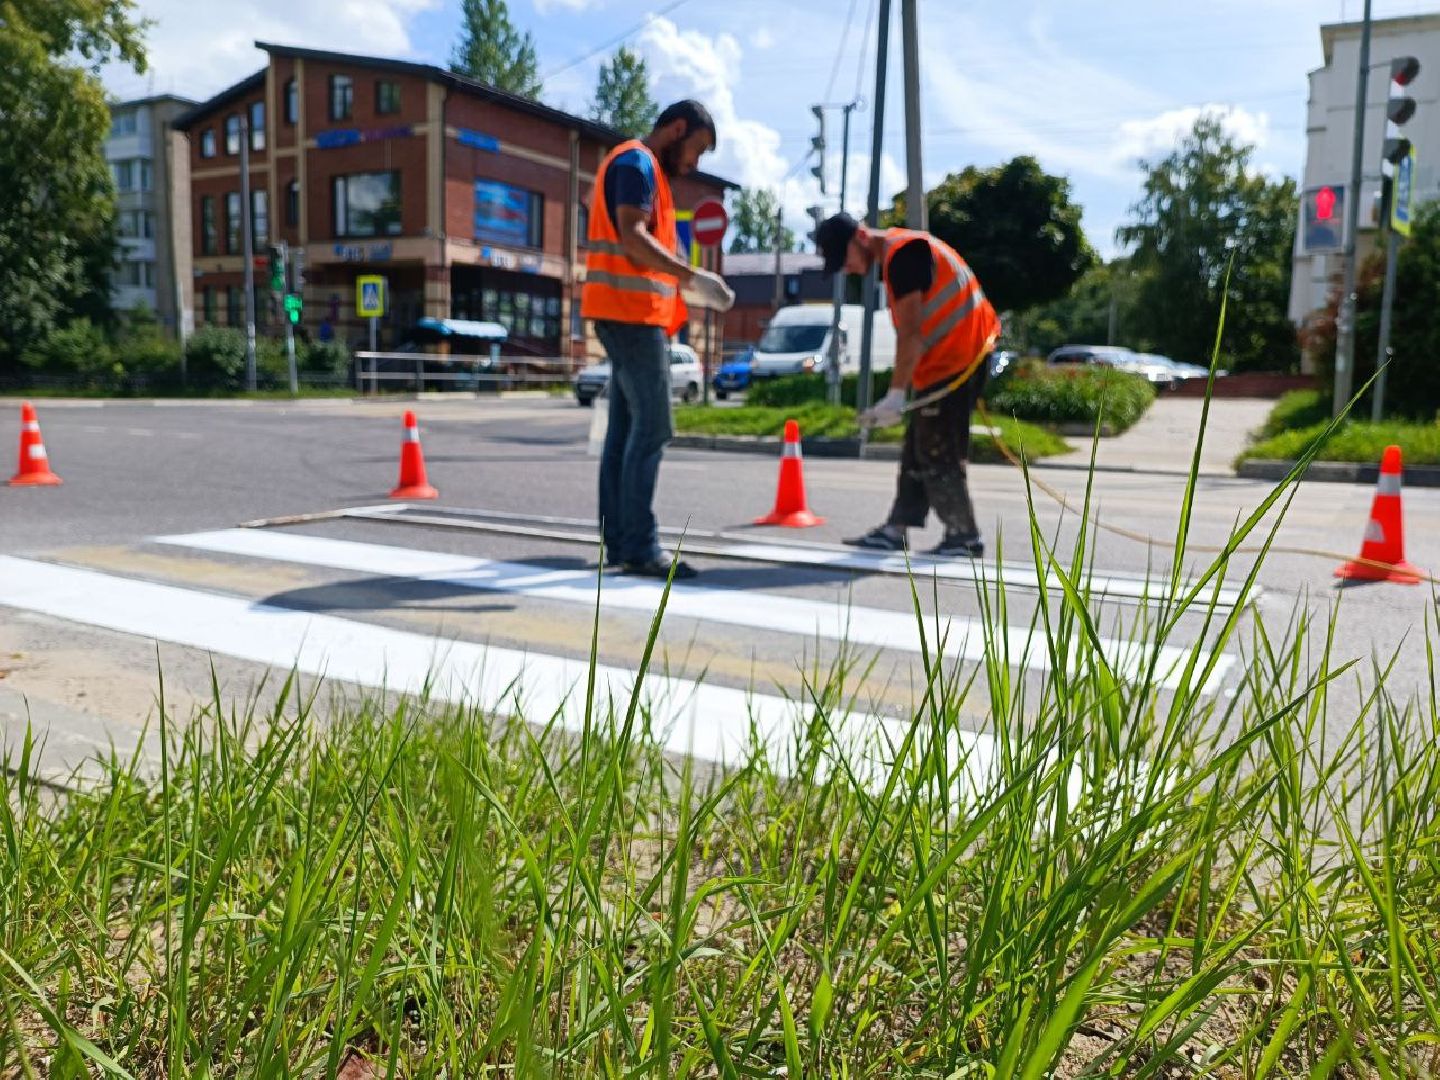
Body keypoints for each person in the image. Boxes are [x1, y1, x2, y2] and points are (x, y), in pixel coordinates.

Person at [581, 100, 735, 579]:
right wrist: (692, 277)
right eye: (696, 149)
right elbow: (633, 237)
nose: (694, 162)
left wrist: (684, 283)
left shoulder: (642, 169)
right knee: (653, 428)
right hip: (630, 317)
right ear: (677, 129)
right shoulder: (637, 163)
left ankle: (621, 541)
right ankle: (640, 547)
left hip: (626, 314)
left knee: (625, 431)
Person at [814, 212, 1000, 558]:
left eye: (844, 258)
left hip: (957, 360)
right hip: (957, 357)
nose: (847, 268)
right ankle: (896, 529)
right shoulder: (903, 251)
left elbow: (911, 333)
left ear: (861, 237)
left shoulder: (903, 257)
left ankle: (964, 536)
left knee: (938, 449)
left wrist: (896, 394)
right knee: (919, 445)